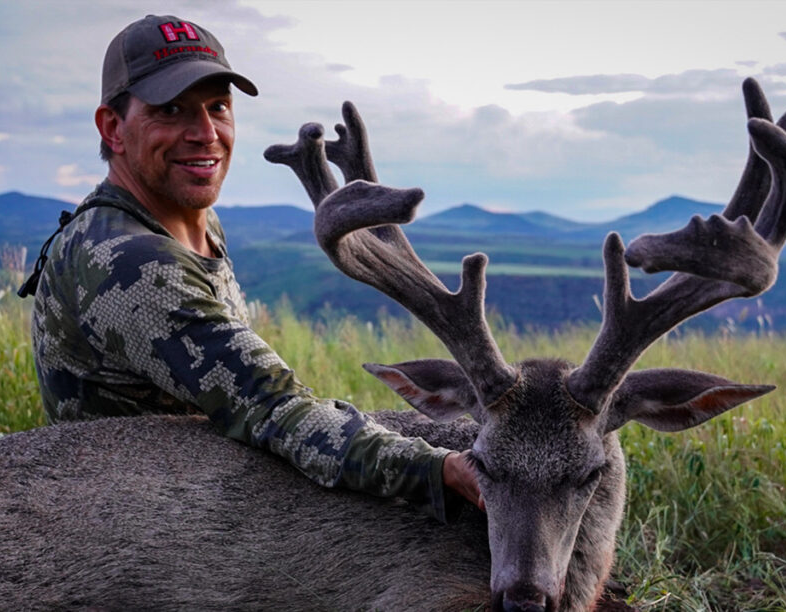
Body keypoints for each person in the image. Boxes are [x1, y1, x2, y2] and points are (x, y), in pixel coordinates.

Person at [27, 14, 480, 522]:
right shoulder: (132, 263)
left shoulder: (184, 220)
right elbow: (273, 408)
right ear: (113, 128)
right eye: (170, 110)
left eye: (218, 107)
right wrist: (438, 469)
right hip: (139, 520)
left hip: (181, 478)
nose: (205, 134)